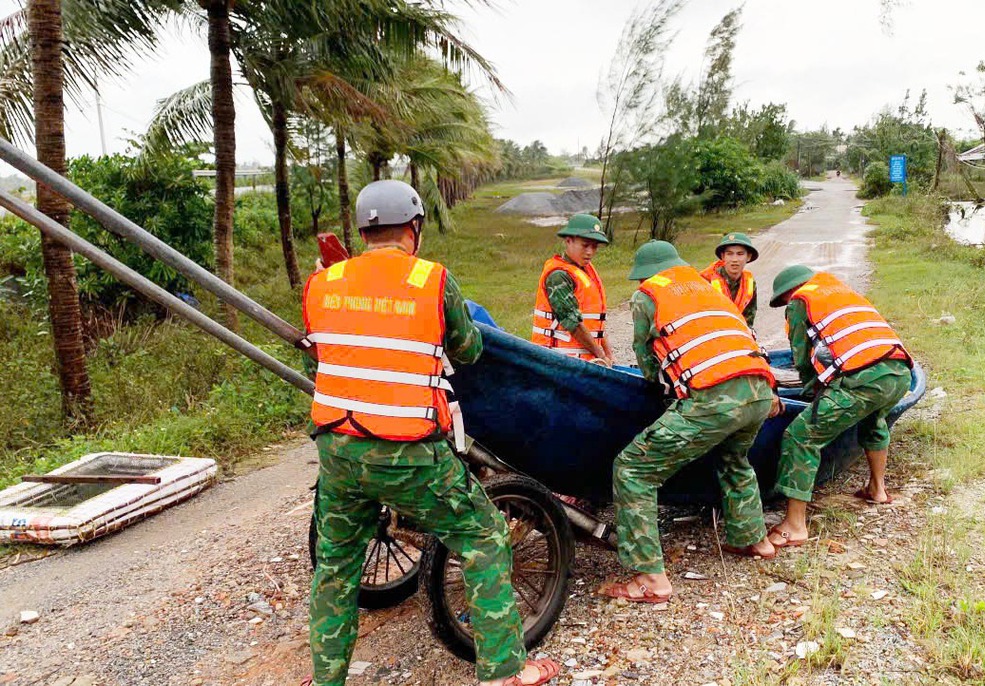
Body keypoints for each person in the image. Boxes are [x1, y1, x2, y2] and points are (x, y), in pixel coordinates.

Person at [302, 180, 559, 686]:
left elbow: (321, 349)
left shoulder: (322, 283)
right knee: (485, 536)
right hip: (406, 451)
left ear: (363, 231)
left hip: (338, 449)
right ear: (413, 229)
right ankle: (505, 670)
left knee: (335, 567)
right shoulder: (433, 280)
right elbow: (467, 349)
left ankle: (326, 680)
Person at [598, 241, 781, 604]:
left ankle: (651, 580)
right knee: (734, 458)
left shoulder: (648, 295)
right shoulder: (709, 288)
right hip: (760, 391)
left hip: (715, 399)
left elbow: (646, 356)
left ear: (647, 273)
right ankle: (754, 540)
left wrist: (655, 387)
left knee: (633, 469)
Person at [766, 265, 913, 548]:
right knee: (873, 418)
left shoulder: (800, 301)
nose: (786, 306)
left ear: (788, 293)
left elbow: (803, 358)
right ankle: (878, 490)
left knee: (801, 436)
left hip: (862, 378)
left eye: (783, 302)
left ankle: (795, 525)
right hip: (898, 371)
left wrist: (812, 395)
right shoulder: (841, 293)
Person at [532, 214, 613, 364]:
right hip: (558, 361)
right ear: (568, 241)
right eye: (585, 245)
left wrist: (608, 355)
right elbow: (573, 324)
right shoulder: (558, 276)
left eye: (594, 246)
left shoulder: (586, 270)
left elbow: (595, 322)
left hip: (585, 360)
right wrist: (601, 356)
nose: (590, 252)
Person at [698, 232, 758, 326]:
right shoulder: (705, 282)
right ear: (723, 256)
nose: (734, 259)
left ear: (748, 257)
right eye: (729, 254)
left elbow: (748, 319)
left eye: (740, 254)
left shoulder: (749, 283)